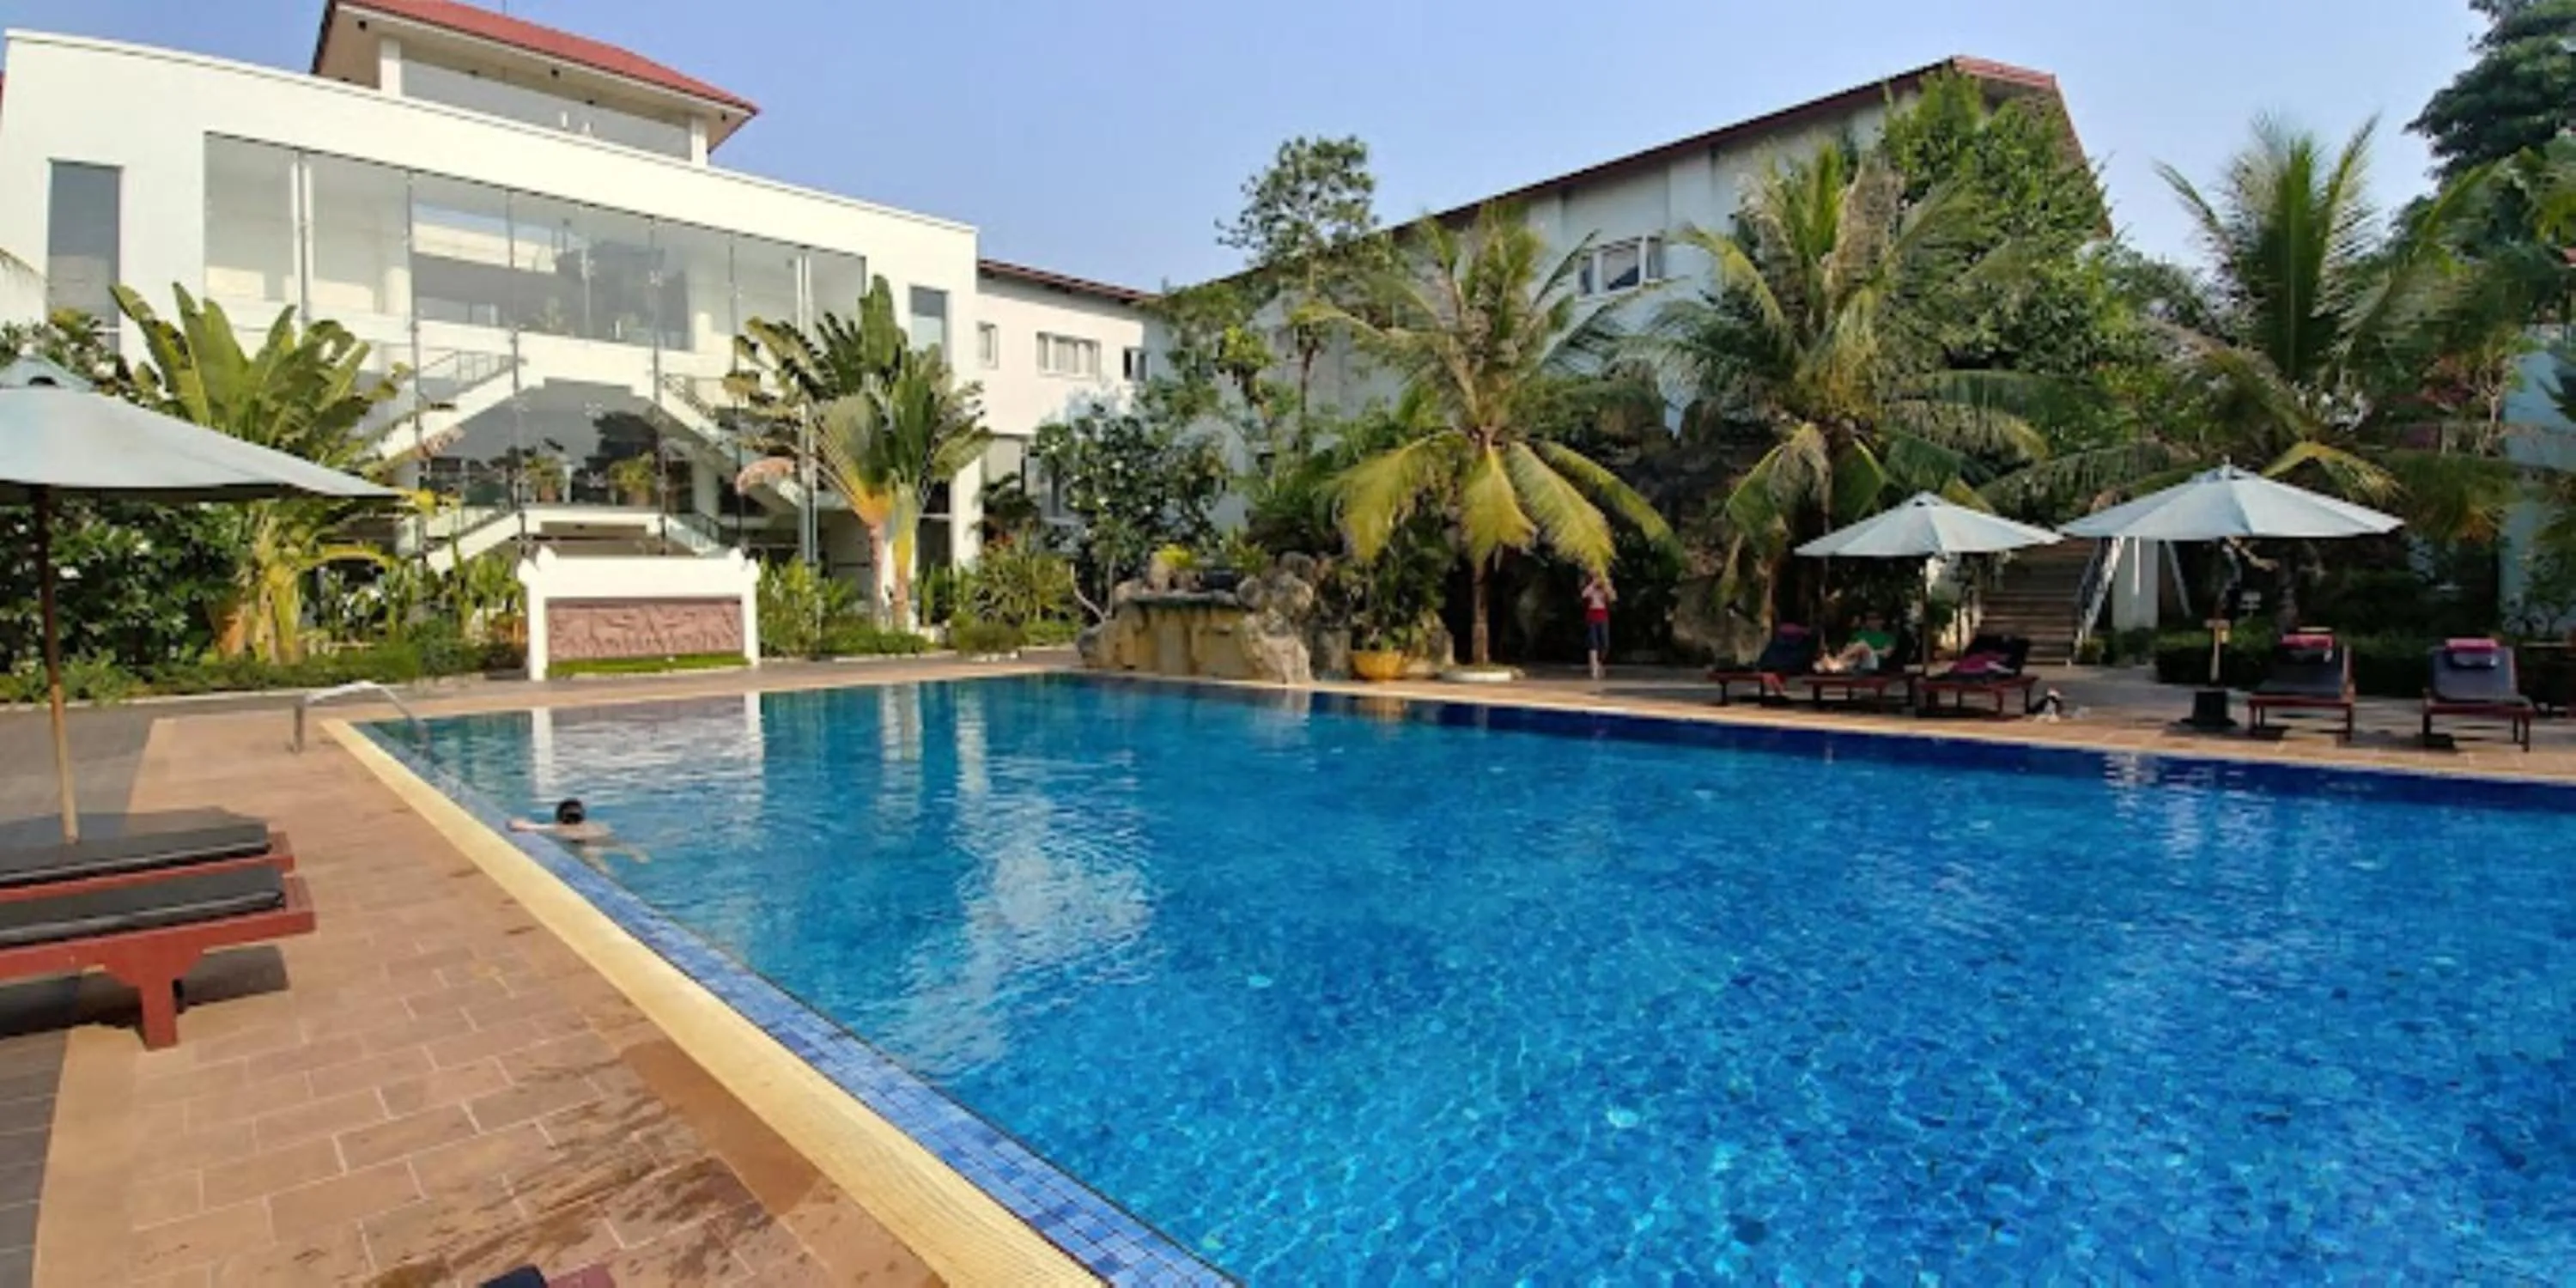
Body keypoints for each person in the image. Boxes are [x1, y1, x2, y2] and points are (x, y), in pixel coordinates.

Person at [509, 799, 644, 868]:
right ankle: (640, 857)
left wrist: (518, 822)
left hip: (586, 845)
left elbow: (519, 826)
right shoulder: (594, 824)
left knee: (599, 865)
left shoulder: (558, 828)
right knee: (625, 848)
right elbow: (609, 830)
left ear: (559, 816)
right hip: (605, 839)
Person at [1814, 613, 1891, 675]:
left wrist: (1866, 651)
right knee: (1855, 650)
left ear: (1882, 621)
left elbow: (1886, 653)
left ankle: (1836, 662)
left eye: (1875, 619)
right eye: (1869, 619)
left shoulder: (1887, 637)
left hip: (1872, 662)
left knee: (1862, 644)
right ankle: (1833, 664)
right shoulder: (1858, 634)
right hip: (1854, 661)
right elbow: (1848, 649)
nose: (1871, 621)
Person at [1579, 572, 1616, 680]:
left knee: (1605, 643)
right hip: (1592, 616)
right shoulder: (1590, 586)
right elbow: (1584, 595)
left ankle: (1599, 662)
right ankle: (1594, 670)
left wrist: (1606, 585)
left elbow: (1613, 597)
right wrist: (1593, 584)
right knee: (1593, 643)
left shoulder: (1605, 586)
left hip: (1603, 616)